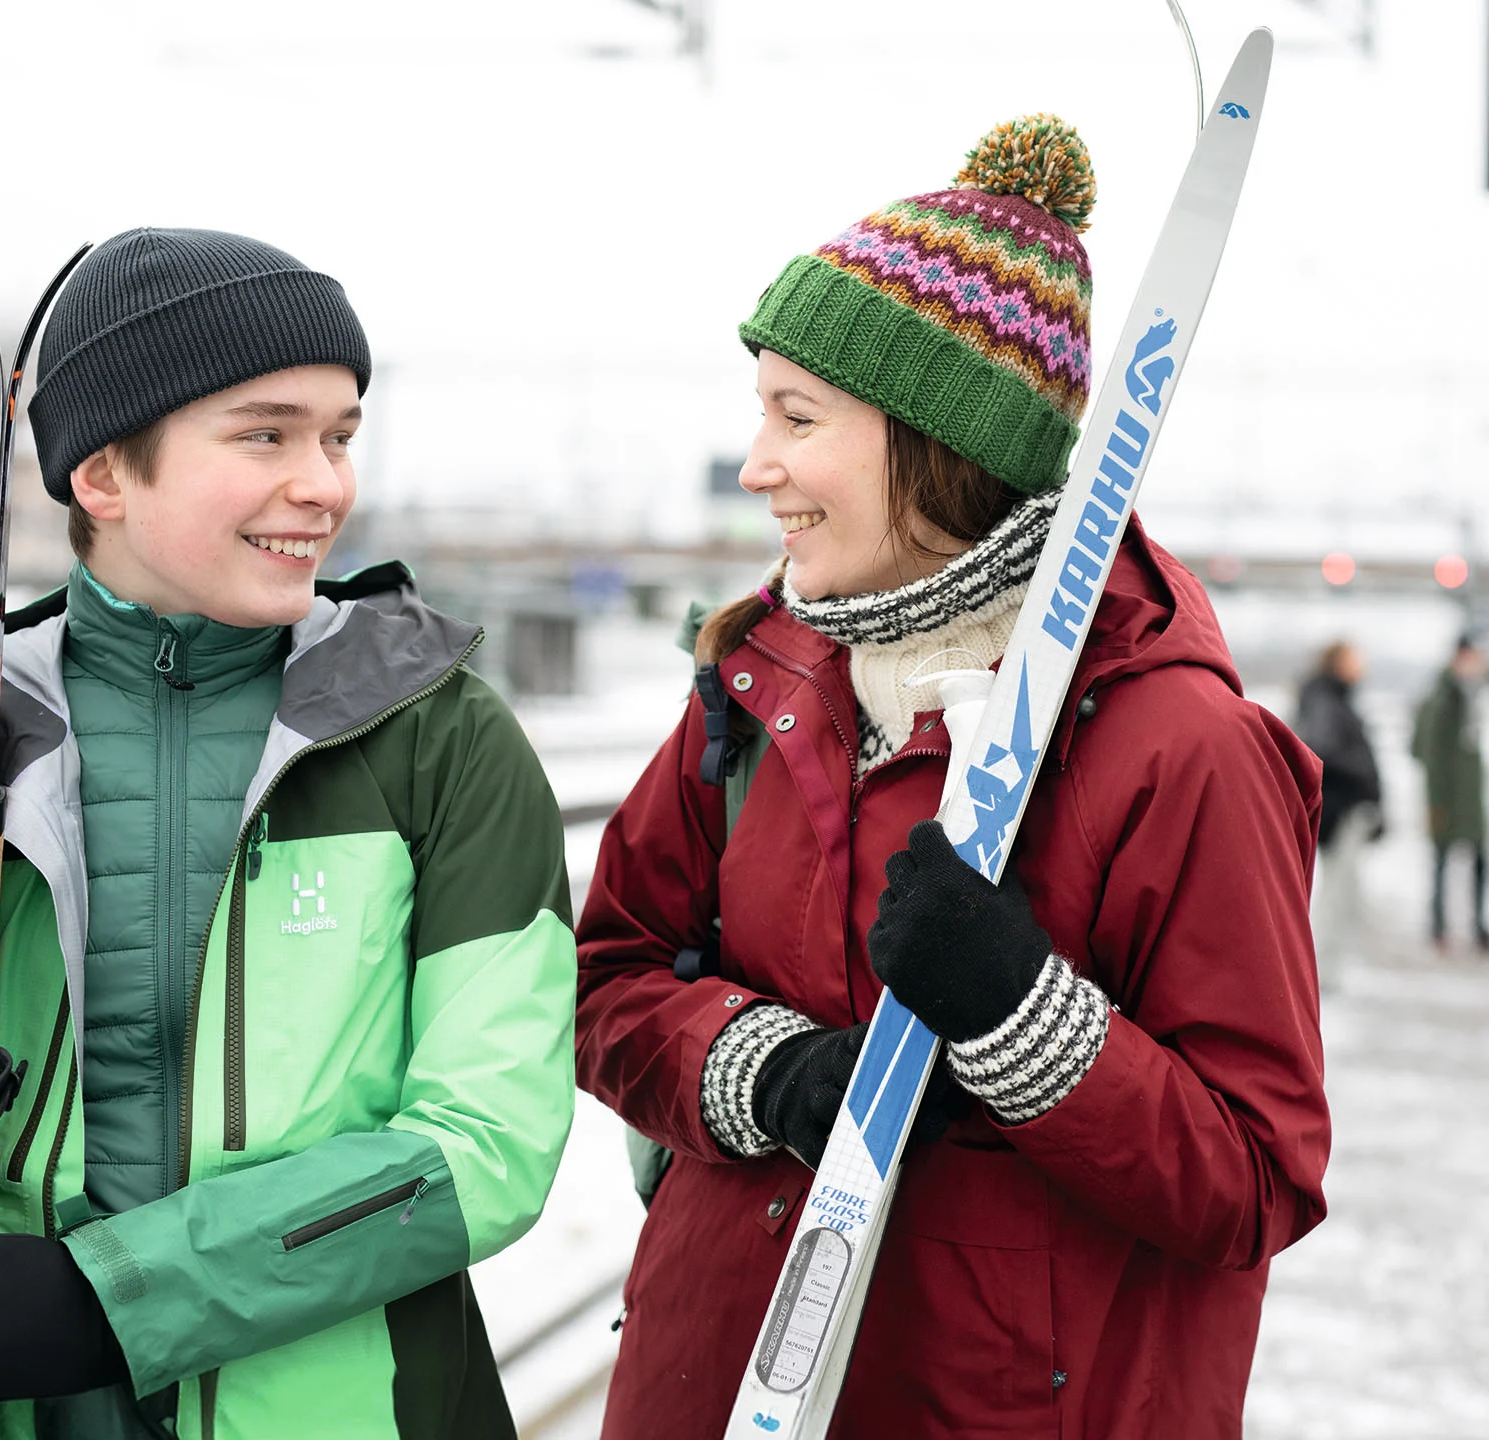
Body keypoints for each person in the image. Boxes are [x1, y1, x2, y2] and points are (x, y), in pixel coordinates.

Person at [0, 229, 578, 1439]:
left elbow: (484, 1145)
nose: (325, 484)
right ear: (106, 475)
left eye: (338, 435)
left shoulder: (436, 738)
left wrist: (108, 1300)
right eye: (266, 434)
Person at [574, 117, 1329, 1438]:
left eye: (796, 418)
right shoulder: (763, 684)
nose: (757, 467)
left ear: (936, 444)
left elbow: (1254, 1175)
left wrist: (1026, 1021)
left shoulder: (1179, 747)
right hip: (709, 1388)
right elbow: (608, 976)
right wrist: (770, 1070)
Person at [1294, 640, 1383, 987]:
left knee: (1344, 892)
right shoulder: (1326, 700)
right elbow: (1321, 748)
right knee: (1334, 895)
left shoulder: (1333, 698)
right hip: (1341, 811)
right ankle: (1321, 974)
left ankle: (1329, 970)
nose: (1360, 665)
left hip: (1344, 811)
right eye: (1354, 659)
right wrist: (1360, 774)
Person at [1411, 634, 1488, 952]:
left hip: (1472, 800)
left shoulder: (1474, 696)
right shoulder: (1443, 698)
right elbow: (1427, 752)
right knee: (1442, 862)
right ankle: (1438, 926)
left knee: (1478, 861)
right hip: (1447, 798)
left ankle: (1476, 926)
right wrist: (1436, 802)